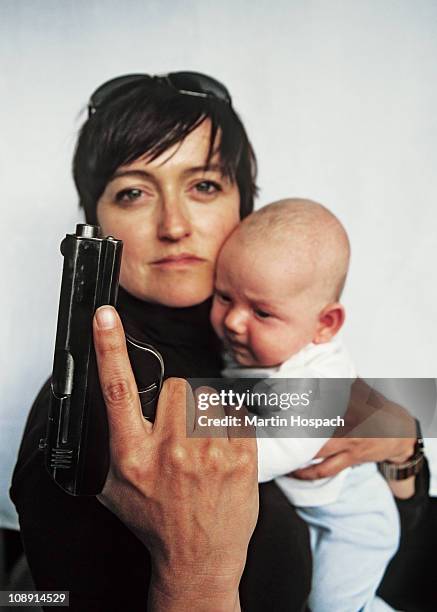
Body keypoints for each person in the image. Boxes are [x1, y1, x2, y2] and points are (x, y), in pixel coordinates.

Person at [9, 72, 418, 611]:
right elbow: (46, 595)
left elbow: (407, 551)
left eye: (203, 186)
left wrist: (402, 446)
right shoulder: (91, 411)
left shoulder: (277, 347)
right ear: (97, 223)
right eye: (133, 193)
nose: (174, 224)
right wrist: (193, 576)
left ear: (243, 205)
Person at [210, 198, 400, 611]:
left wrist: (219, 461)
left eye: (261, 312)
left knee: (332, 606)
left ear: (324, 325)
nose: (234, 322)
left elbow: (287, 448)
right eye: (224, 297)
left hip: (351, 521)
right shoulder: (250, 349)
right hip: (309, 510)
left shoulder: (321, 375)